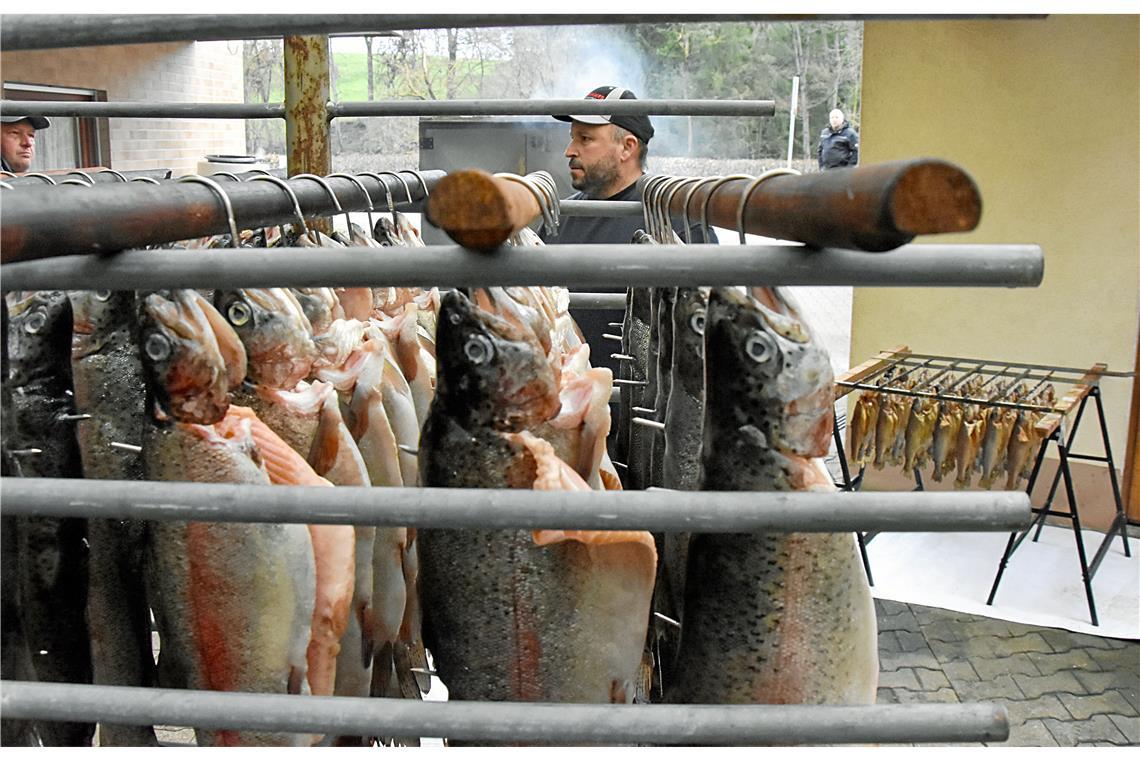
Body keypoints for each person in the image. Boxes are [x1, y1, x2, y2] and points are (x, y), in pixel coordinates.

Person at [541, 86, 711, 377]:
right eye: (572, 138)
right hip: (568, 412)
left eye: (585, 139)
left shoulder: (677, 222)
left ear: (627, 147)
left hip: (647, 413)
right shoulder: (559, 216)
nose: (569, 151)